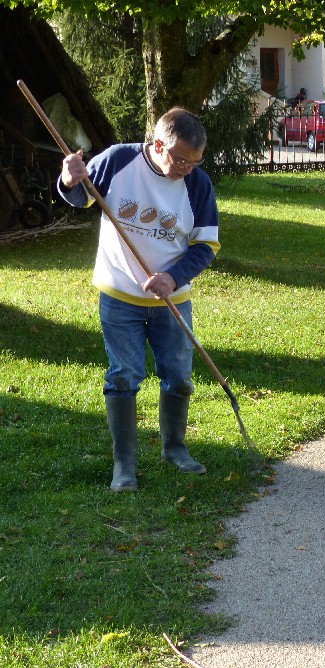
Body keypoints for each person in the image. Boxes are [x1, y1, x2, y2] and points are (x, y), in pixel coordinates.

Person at [59, 107, 220, 491]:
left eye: (194, 161)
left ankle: (175, 448)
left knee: (179, 376)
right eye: (180, 159)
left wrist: (173, 277)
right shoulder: (119, 160)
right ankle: (124, 465)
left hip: (172, 299)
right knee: (123, 377)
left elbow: (207, 244)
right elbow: (81, 196)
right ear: (158, 144)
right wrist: (69, 178)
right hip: (120, 294)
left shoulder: (197, 184)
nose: (187, 168)